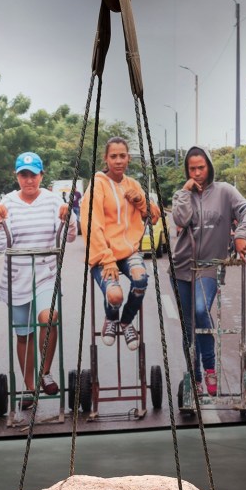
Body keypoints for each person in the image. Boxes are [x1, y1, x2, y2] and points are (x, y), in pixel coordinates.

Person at [171, 146, 246, 395]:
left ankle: (210, 367)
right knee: (189, 326)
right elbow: (181, 220)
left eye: (201, 167)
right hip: (182, 267)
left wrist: (241, 235)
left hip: (211, 266)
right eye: (192, 169)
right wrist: (186, 192)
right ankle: (195, 378)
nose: (197, 173)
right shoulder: (181, 194)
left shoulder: (225, 192)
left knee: (200, 309)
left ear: (209, 166)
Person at [0, 152, 70, 405]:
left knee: (49, 318)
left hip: (46, 273)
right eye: (23, 175)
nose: (29, 180)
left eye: (33, 175)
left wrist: (67, 218)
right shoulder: (8, 202)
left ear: (41, 176)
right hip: (17, 277)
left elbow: (68, 236)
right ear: (16, 176)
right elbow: (0, 245)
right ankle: (29, 386)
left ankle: (45, 374)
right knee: (23, 334)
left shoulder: (52, 200)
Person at [82, 137, 158, 353]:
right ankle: (111, 317)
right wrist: (107, 259)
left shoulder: (133, 184)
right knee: (115, 295)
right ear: (106, 159)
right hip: (103, 253)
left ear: (128, 158)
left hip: (129, 251)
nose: (118, 160)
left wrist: (141, 201)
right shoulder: (97, 184)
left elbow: (153, 217)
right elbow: (91, 224)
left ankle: (125, 323)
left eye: (122, 156)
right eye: (113, 156)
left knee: (141, 280)